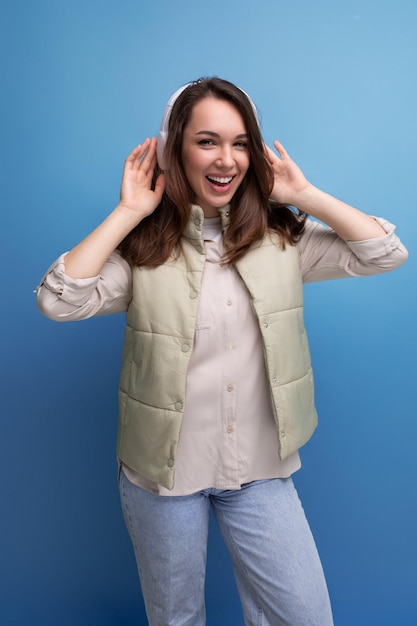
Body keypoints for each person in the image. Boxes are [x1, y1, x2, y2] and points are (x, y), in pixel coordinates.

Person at [36, 77, 408, 626]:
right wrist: (128, 212)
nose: (226, 158)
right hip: (162, 477)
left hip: (258, 468)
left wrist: (304, 196)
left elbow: (385, 252)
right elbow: (57, 301)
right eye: (207, 141)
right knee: (177, 619)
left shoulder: (283, 241)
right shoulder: (144, 251)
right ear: (174, 150)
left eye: (239, 143)